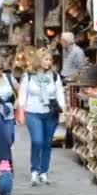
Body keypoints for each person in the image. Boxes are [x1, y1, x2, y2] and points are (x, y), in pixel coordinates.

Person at [16, 48, 65, 186]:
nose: (48, 62)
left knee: (47, 143)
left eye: (50, 60)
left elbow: (59, 92)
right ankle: (34, 170)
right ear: (38, 60)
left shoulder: (54, 75)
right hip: (33, 112)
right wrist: (21, 110)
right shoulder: (29, 75)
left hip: (50, 113)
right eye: (45, 59)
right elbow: (22, 93)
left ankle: (43, 172)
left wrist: (63, 107)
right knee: (37, 141)